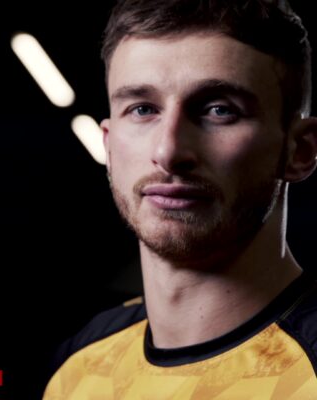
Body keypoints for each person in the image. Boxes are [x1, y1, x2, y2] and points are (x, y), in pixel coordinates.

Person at [43, 0, 317, 398]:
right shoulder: (77, 367)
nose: (168, 151)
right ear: (109, 145)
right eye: (142, 109)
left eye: (219, 110)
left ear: (300, 150)